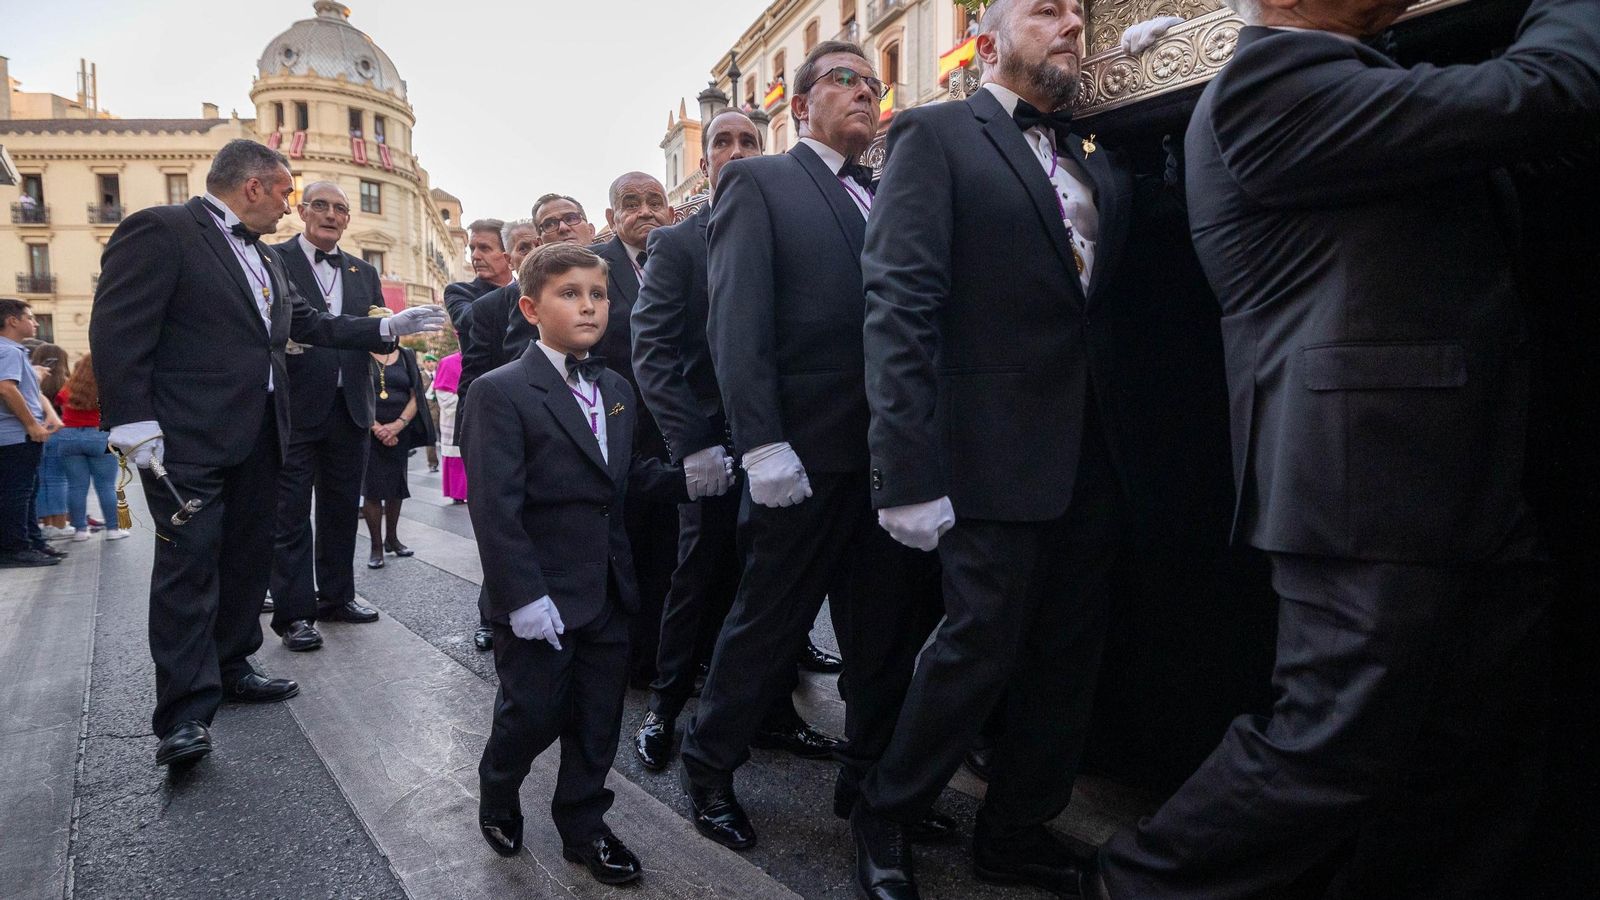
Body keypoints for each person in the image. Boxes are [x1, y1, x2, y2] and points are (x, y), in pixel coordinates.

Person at [1088, 0, 1600, 897]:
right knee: (1329, 746)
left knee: (1471, 747)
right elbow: (1547, 89)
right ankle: (1134, 886)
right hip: (1368, 484)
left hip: (1455, 473)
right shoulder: (1267, 81)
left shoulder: (1366, 80)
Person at [855, 0, 1192, 893]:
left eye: (1078, 12)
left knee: (1069, 653)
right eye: (1047, 9)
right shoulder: (934, 134)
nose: (1071, 21)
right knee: (975, 648)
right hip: (985, 451)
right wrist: (906, 470)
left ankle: (1016, 827)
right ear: (989, 38)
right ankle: (886, 811)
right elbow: (899, 307)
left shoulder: (1090, 154)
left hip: (1092, 451)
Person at [89, 139, 444, 767]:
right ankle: (183, 714)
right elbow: (119, 326)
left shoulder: (267, 261)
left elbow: (309, 325)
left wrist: (387, 326)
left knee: (248, 558)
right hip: (189, 436)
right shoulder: (163, 230)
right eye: (285, 193)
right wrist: (132, 420)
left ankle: (232, 666)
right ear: (253, 186)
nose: (289, 208)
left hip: (262, 433)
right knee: (189, 566)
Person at [680, 40, 943, 853]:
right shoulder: (763, 181)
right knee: (768, 622)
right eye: (844, 80)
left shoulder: (887, 189)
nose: (866, 91)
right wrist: (761, 445)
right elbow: (737, 321)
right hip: (802, 456)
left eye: (873, 81)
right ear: (799, 108)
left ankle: (867, 784)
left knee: (882, 634)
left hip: (886, 457)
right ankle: (709, 766)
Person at [465, 242, 697, 886]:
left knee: (598, 720)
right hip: (538, 593)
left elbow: (619, 478)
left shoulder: (616, 387)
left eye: (598, 294)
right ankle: (499, 782)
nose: (589, 306)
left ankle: (584, 826)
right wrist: (521, 596)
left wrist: (695, 478)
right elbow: (495, 507)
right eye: (570, 294)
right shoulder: (501, 391)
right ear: (531, 308)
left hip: (608, 588)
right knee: (532, 713)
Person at [629, 109, 844, 773]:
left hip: (787, 438)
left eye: (749, 140)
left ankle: (775, 713)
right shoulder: (680, 243)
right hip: (714, 448)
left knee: (774, 587)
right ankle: (666, 707)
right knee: (698, 578)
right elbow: (654, 349)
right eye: (722, 141)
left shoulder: (792, 221)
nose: (735, 150)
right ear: (706, 160)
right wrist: (693, 445)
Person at [268, 181, 388, 653]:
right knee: (291, 514)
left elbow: (377, 328)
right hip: (295, 406)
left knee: (341, 509)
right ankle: (295, 615)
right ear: (301, 210)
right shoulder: (273, 259)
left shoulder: (363, 270)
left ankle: (338, 597)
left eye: (341, 209)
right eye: (321, 205)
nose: (331, 215)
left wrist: (391, 336)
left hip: (352, 406)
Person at [588, 172, 681, 688]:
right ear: (610, 218)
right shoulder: (595, 268)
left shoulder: (684, 256)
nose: (645, 211)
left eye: (655, 201)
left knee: (668, 554)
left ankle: (658, 658)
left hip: (678, 435)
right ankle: (621, 661)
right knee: (623, 550)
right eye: (631, 203)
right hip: (619, 433)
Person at [0, 298, 63, 568]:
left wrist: (46, 415)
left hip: (17, 435)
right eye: (29, 317)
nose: (35, 322)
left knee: (26, 489)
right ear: (13, 321)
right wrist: (31, 425)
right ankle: (17, 548)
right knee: (18, 492)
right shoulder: (9, 352)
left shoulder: (14, 351)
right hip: (15, 435)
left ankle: (32, 542)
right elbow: (6, 388)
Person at [361, 343, 434, 569]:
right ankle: (376, 547)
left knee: (396, 487)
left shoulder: (406, 355)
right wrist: (378, 428)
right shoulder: (360, 353)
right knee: (372, 490)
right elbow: (355, 393)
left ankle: (392, 539)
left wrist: (397, 426)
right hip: (369, 431)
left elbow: (415, 394)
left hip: (401, 431)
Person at [54, 352, 126, 542]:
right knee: (106, 486)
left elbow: (63, 410)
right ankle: (112, 529)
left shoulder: (68, 388)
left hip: (69, 436)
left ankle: (80, 530)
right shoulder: (107, 387)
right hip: (99, 435)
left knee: (76, 486)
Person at [442, 219, 513, 342]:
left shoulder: (530, 290)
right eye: (472, 249)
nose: (475, 255)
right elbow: (470, 319)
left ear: (508, 255)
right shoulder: (458, 292)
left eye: (484, 248)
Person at [29, 343, 72, 540]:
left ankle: (45, 523)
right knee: (58, 481)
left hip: (35, 432)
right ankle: (61, 524)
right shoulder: (66, 383)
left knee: (40, 481)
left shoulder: (31, 381)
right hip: (60, 433)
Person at [432, 349, 467, 505]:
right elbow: (443, 396)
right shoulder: (448, 362)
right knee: (456, 455)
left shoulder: (482, 357)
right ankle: (458, 493)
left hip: (476, 416)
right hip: (453, 418)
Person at [420, 353, 440, 472]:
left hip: (442, 407)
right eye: (428, 362)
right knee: (431, 436)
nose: (431, 364)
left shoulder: (439, 375)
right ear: (424, 363)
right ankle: (432, 462)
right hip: (429, 409)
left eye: (432, 361)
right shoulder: (420, 376)